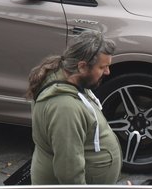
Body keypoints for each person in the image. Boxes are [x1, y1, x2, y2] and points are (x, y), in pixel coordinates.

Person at [27, 30, 121, 185]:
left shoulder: (68, 77)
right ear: (82, 67)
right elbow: (68, 170)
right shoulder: (65, 109)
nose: (107, 72)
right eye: (102, 67)